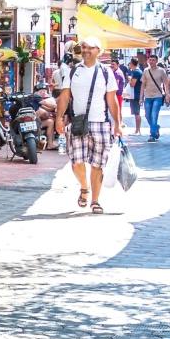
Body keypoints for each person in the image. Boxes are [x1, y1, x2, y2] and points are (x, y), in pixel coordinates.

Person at [54, 36, 123, 213]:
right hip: (78, 122)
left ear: (98, 51)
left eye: (89, 48)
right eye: (83, 48)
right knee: (76, 161)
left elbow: (112, 99)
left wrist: (118, 123)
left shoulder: (106, 72)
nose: (85, 51)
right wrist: (59, 118)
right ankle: (84, 187)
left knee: (97, 164)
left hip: (101, 123)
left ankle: (95, 200)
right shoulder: (73, 71)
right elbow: (64, 96)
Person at [138, 50, 170, 142]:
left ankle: (152, 135)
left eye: (153, 60)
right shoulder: (145, 71)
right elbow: (143, 85)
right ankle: (155, 127)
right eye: (150, 60)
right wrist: (141, 98)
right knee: (147, 115)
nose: (151, 61)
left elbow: (166, 83)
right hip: (147, 96)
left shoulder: (161, 71)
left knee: (154, 115)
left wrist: (167, 95)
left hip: (158, 96)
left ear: (156, 61)